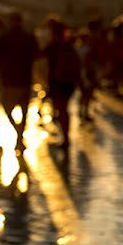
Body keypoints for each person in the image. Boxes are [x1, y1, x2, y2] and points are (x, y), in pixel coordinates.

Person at [0, 11, 41, 151]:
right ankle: (20, 135)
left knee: (8, 109)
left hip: (9, 79)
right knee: (24, 110)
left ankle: (18, 132)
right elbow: (37, 55)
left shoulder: (4, 37)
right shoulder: (28, 37)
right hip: (24, 78)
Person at [43, 17, 80, 153]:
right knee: (63, 110)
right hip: (68, 82)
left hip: (58, 81)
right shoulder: (68, 46)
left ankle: (65, 138)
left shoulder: (53, 46)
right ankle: (65, 137)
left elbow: (39, 59)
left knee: (62, 110)